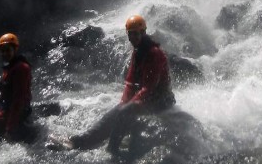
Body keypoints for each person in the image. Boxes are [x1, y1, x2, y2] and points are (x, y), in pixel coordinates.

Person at [51, 14, 175, 151]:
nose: (134, 37)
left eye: (138, 34)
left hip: (161, 100)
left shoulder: (154, 53)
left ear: (144, 33)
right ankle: (80, 142)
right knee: (113, 113)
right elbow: (130, 82)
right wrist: (124, 102)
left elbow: (149, 86)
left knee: (124, 112)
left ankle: (112, 150)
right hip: (148, 97)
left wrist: (131, 104)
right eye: (131, 34)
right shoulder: (138, 51)